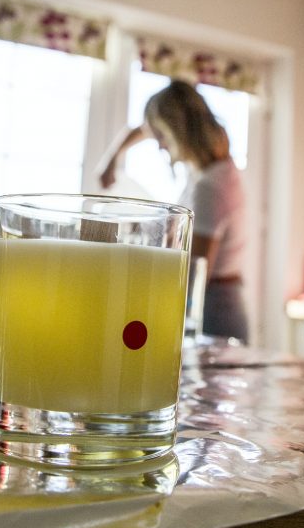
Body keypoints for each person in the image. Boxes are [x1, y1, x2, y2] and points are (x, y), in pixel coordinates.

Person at [98, 79, 249, 343]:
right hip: (223, 299)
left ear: (178, 130)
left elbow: (193, 272)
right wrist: (112, 160)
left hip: (214, 310)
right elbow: (142, 130)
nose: (159, 145)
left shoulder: (209, 188)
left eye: (162, 136)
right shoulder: (213, 165)